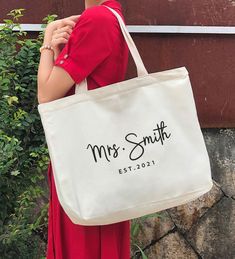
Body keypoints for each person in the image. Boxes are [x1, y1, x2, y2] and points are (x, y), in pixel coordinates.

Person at [37, 0, 130, 258]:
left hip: (83, 163)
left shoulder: (97, 19)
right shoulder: (112, 15)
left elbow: (46, 94)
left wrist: (47, 41)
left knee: (82, 246)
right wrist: (59, 53)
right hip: (102, 157)